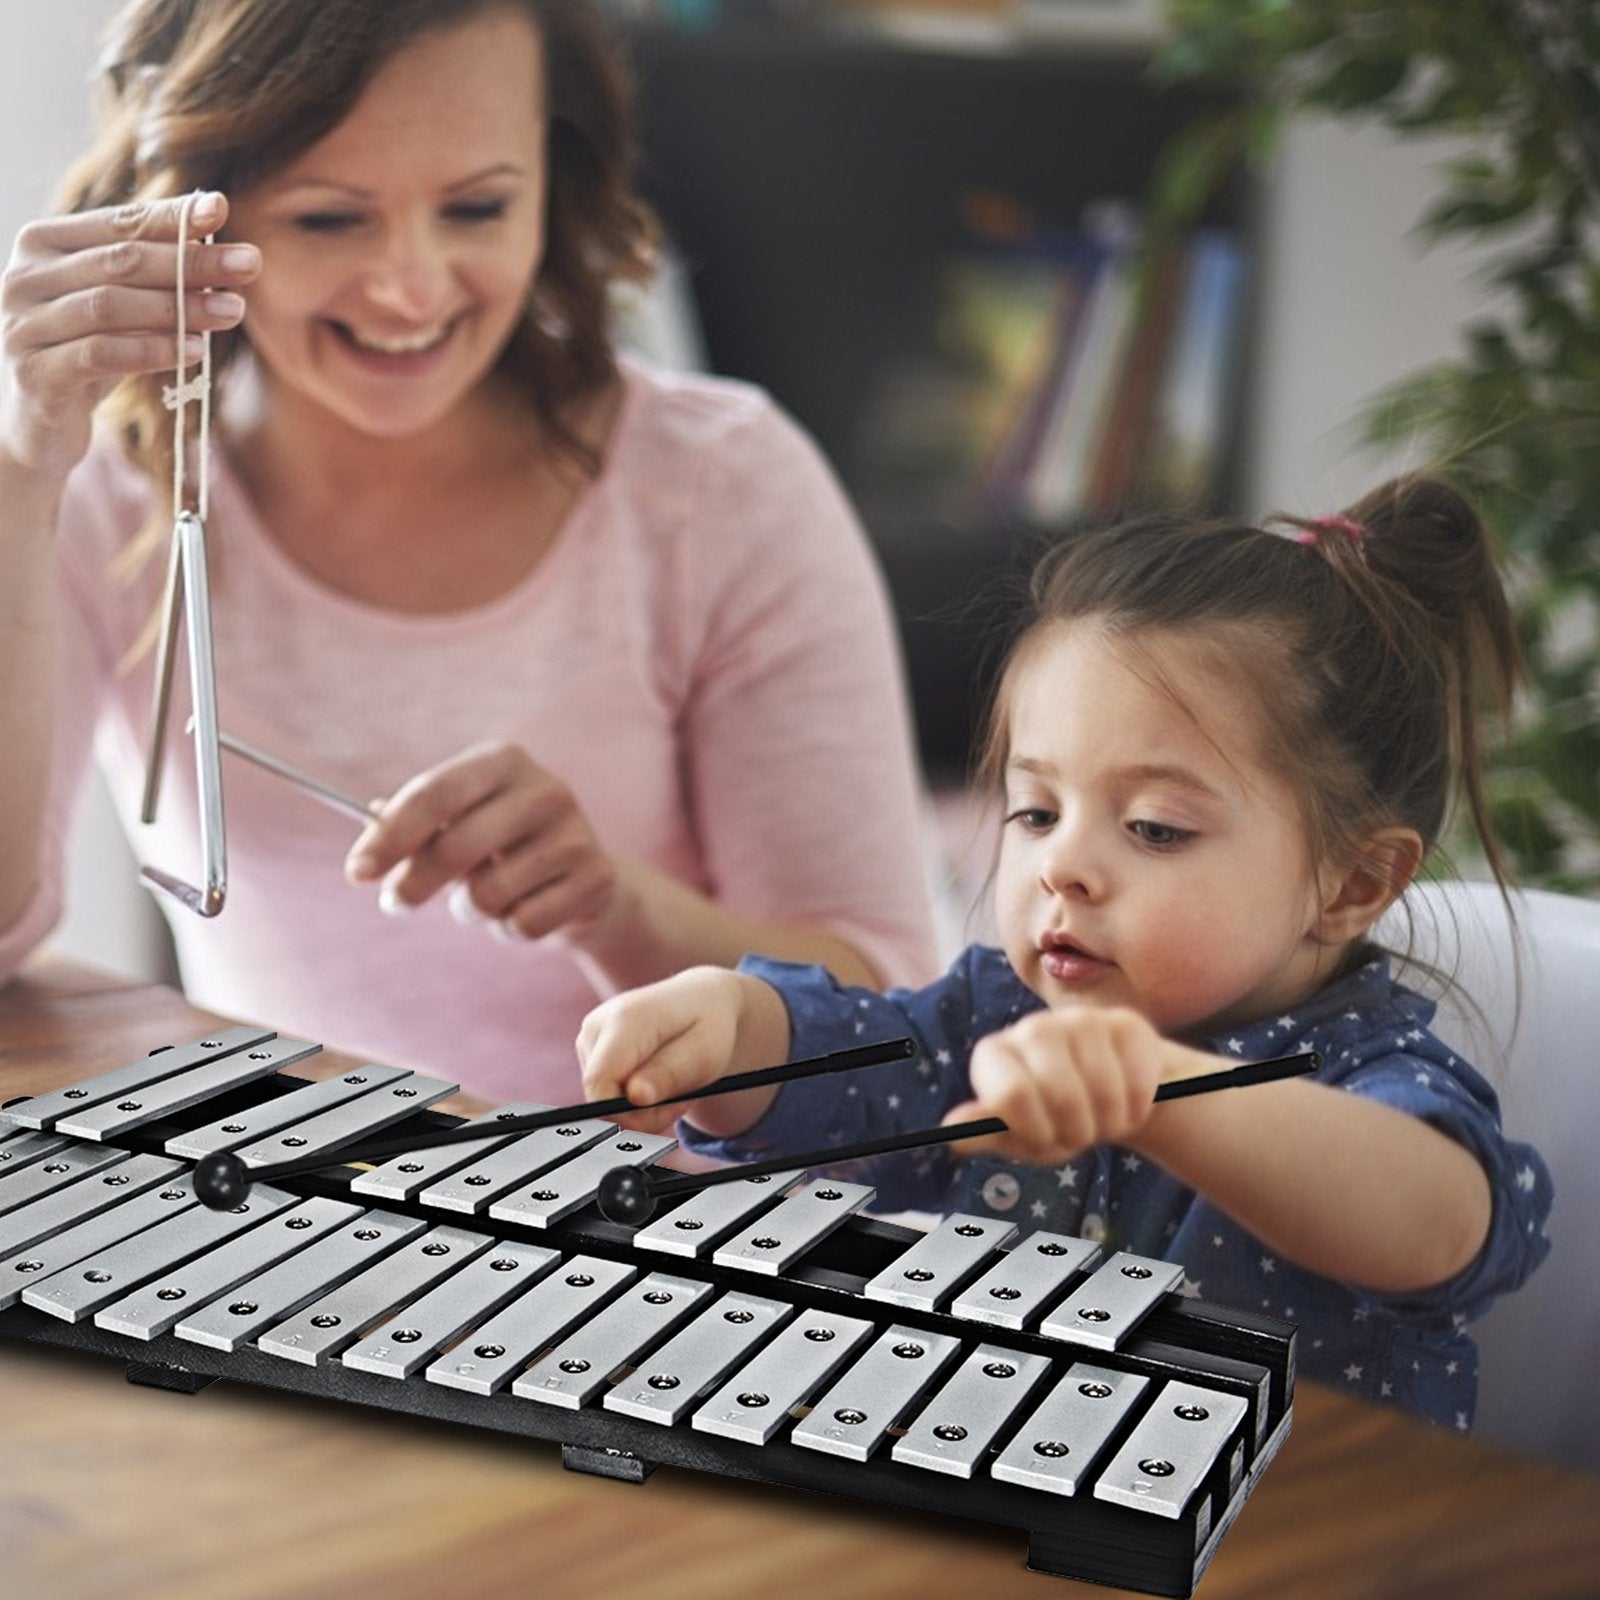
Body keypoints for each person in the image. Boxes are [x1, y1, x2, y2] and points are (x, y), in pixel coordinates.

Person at [0, 0, 938, 1104]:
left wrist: (612, 907)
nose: (410, 286)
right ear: (189, 218)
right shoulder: (108, 492)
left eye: (478, 206)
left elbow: (886, 1026)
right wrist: (20, 475)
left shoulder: (720, 489)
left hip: (681, 1227)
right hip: (302, 1224)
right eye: (328, 221)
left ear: (555, 177)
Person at [578, 475, 1555, 1430]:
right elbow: (843, 1063)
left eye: (1154, 828)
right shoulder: (995, 1016)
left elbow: (1440, 1223)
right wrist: (725, 1030)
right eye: (1036, 810)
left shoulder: (1369, 1074)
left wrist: (1153, 1089)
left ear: (1351, 884)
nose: (1062, 867)